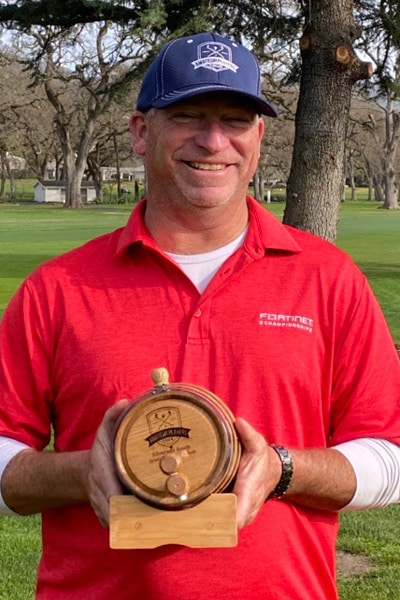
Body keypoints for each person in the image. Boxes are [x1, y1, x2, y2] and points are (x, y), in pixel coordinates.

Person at [0, 31, 399, 600]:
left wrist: (283, 470)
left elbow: (389, 457)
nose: (214, 141)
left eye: (236, 120)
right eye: (188, 115)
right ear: (142, 131)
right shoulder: (58, 288)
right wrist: (80, 472)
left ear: (259, 136)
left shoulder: (327, 280)